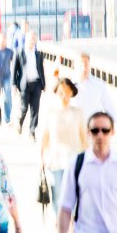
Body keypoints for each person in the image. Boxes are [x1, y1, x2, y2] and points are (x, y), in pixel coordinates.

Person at [58, 112, 117, 233]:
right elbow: (65, 207)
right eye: (95, 130)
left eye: (105, 130)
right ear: (88, 132)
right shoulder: (76, 164)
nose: (100, 135)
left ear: (112, 132)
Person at [40, 78, 88, 214]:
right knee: (57, 196)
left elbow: (84, 138)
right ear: (56, 93)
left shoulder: (78, 113)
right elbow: (44, 138)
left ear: (72, 93)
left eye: (67, 92)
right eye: (61, 92)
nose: (64, 96)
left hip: (75, 160)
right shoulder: (50, 112)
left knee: (74, 196)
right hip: (55, 161)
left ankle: (72, 223)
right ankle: (59, 224)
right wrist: (41, 159)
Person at [12, 31, 45, 141]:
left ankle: (32, 131)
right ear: (26, 40)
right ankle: (19, 122)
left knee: (35, 109)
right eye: (31, 38)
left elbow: (41, 69)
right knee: (24, 107)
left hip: (36, 84)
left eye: (34, 39)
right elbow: (14, 69)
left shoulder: (38, 54)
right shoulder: (20, 52)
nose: (33, 41)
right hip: (24, 85)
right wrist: (14, 85)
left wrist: (43, 84)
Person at [70, 52, 117, 122]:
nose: (84, 68)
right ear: (74, 65)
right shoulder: (69, 85)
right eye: (80, 64)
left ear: (89, 65)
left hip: (93, 127)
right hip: (75, 127)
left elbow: (109, 108)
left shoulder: (99, 84)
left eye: (86, 64)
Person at [0, 33, 14, 124]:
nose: (3, 42)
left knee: (7, 97)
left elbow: (14, 64)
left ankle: (7, 118)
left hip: (7, 77)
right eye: (1, 41)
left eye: (4, 40)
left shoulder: (10, 52)